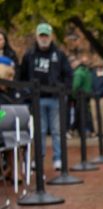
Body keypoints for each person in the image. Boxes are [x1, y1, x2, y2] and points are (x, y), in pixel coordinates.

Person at [20, 23, 72, 171]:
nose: (43, 38)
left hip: (55, 98)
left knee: (57, 130)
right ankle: (38, 158)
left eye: (46, 35)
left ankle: (58, 158)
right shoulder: (29, 55)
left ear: (50, 36)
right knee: (39, 131)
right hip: (36, 99)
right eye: (41, 35)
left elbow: (68, 74)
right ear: (37, 36)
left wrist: (64, 91)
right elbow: (22, 76)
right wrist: (26, 94)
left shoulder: (59, 54)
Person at [71, 55, 94, 137]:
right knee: (84, 113)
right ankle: (81, 130)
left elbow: (75, 85)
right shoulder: (87, 71)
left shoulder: (78, 73)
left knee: (80, 114)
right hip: (87, 95)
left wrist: (73, 95)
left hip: (80, 96)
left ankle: (81, 131)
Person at [91, 59, 103, 137]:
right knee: (94, 115)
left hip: (102, 97)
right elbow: (91, 84)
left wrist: (99, 93)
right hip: (93, 97)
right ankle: (97, 131)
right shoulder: (93, 73)